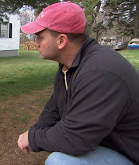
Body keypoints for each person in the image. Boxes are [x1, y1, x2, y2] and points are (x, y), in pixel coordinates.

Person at [17, 1, 139, 165]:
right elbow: (54, 106)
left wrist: (33, 138)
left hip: (128, 153)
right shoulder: (69, 65)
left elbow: (75, 138)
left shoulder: (99, 72)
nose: (36, 43)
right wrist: (35, 130)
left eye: (40, 36)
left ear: (61, 41)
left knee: (59, 161)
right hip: (104, 143)